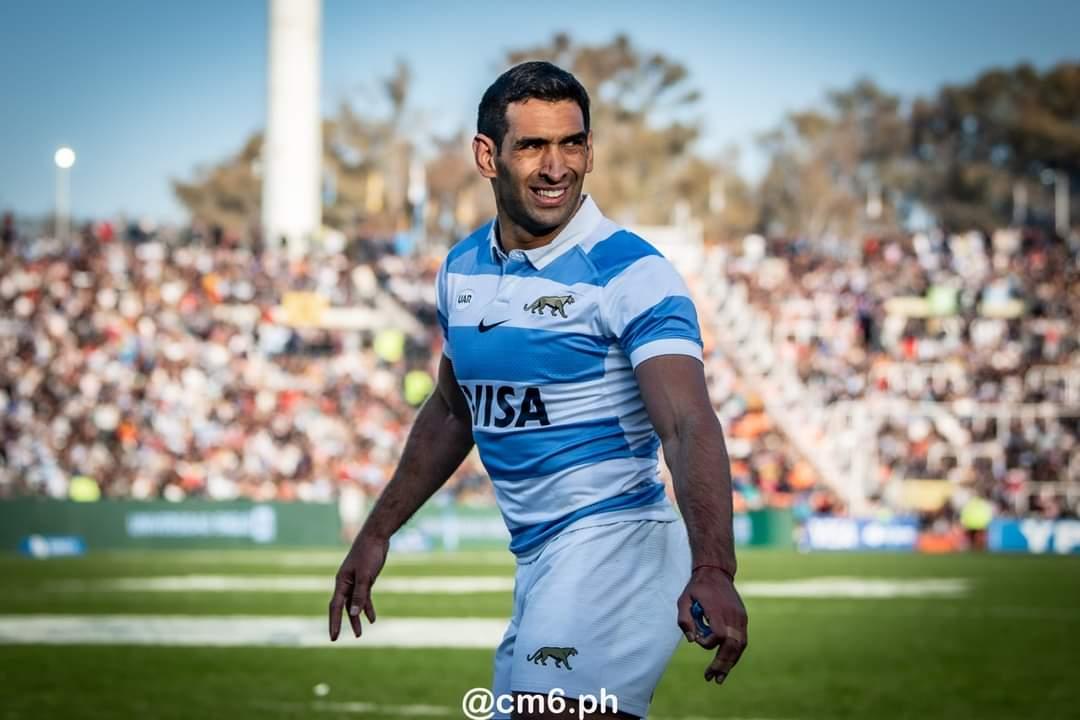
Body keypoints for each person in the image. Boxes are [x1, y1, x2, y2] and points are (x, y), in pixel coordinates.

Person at [329, 61, 747, 718]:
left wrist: (715, 567)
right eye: (532, 146)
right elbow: (451, 409)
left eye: (572, 143)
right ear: (486, 155)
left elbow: (688, 423)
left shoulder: (633, 272)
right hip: (542, 561)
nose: (557, 166)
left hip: (617, 546)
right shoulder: (461, 268)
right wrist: (377, 531)